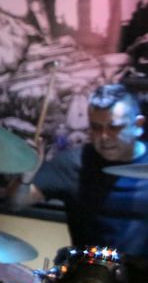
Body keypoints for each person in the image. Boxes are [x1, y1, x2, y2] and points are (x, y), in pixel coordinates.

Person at [8, 84, 148, 258]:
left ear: (138, 125)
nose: (104, 136)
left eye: (114, 127)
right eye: (96, 127)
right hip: (88, 272)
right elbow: (16, 203)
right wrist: (26, 174)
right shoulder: (72, 163)